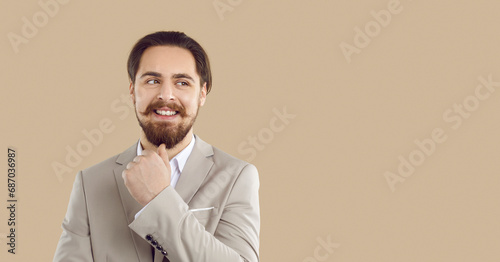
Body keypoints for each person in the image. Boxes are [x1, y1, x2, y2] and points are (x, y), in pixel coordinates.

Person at [53, 31, 260, 262]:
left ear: (202, 93)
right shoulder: (90, 182)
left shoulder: (236, 177)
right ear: (132, 90)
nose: (166, 95)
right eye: (152, 81)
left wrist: (159, 198)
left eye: (182, 82)